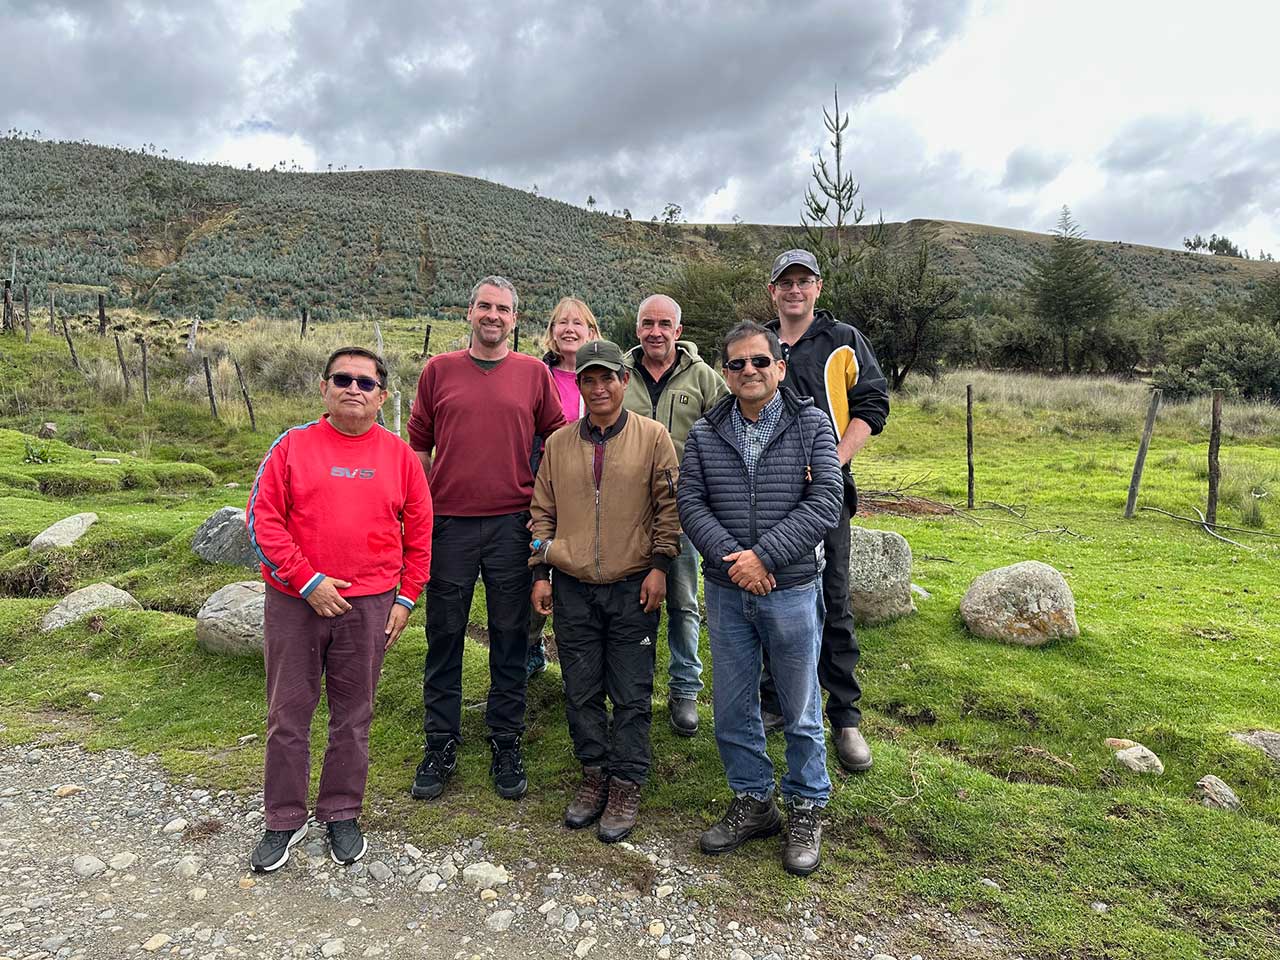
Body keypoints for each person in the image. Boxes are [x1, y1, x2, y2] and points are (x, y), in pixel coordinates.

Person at [245, 346, 432, 872]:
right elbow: (263, 521)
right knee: (288, 714)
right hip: (295, 603)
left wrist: (406, 598)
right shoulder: (292, 447)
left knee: (353, 716)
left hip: (370, 605)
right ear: (324, 388)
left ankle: (342, 811)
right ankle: (283, 817)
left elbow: (420, 537)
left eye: (366, 383)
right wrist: (307, 581)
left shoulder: (400, 458)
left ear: (383, 396)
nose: (354, 388)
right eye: (342, 379)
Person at [678, 321, 843, 876]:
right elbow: (691, 503)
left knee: (798, 707)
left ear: (779, 366)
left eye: (757, 361)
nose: (747, 371)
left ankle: (806, 804)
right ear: (725, 373)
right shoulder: (706, 432)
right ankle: (754, 801)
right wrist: (735, 560)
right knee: (732, 708)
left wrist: (764, 557)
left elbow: (825, 501)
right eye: (736, 364)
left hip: (791, 588)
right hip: (728, 593)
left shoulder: (812, 424)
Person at [407, 276, 566, 802]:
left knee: (511, 637)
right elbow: (420, 447)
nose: (493, 316)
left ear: (515, 319)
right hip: (450, 525)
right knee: (445, 634)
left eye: (503, 309)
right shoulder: (438, 371)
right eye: (484, 307)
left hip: (511, 525)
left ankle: (506, 740)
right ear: (469, 313)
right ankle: (440, 743)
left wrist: (545, 509)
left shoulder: (533, 374)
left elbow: (557, 439)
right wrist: (424, 508)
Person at [529, 339, 680, 843]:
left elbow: (669, 508)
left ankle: (626, 781)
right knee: (581, 688)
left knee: (632, 691)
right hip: (572, 586)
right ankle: (593, 775)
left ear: (624, 381)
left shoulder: (654, 437)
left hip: (633, 584)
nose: (598, 388)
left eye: (607, 378)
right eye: (588, 379)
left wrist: (660, 566)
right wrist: (540, 571)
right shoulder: (558, 443)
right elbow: (541, 513)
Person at [761, 249, 889, 774]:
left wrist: (832, 464)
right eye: (785, 282)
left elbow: (872, 405)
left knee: (831, 599)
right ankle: (773, 702)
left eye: (803, 281)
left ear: (817, 288)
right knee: (768, 599)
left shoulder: (844, 340)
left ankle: (845, 716)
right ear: (773, 292)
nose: (794, 290)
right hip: (765, 498)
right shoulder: (760, 344)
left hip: (826, 498)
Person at [622, 294, 728, 737]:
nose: (656, 331)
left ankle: (685, 689)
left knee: (683, 604)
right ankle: (634, 688)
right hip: (626, 513)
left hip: (683, 513)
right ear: (638, 328)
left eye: (665, 324)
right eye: (648, 323)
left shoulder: (705, 379)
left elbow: (728, 433)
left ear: (678, 331)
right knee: (631, 604)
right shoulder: (619, 374)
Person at [527, 296, 602, 678]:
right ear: (551, 332)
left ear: (592, 331)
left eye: (578, 323)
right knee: (536, 567)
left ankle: (584, 657)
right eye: (561, 322)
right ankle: (531, 643)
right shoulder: (534, 374)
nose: (569, 329)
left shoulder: (607, 374)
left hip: (594, 489)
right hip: (544, 484)